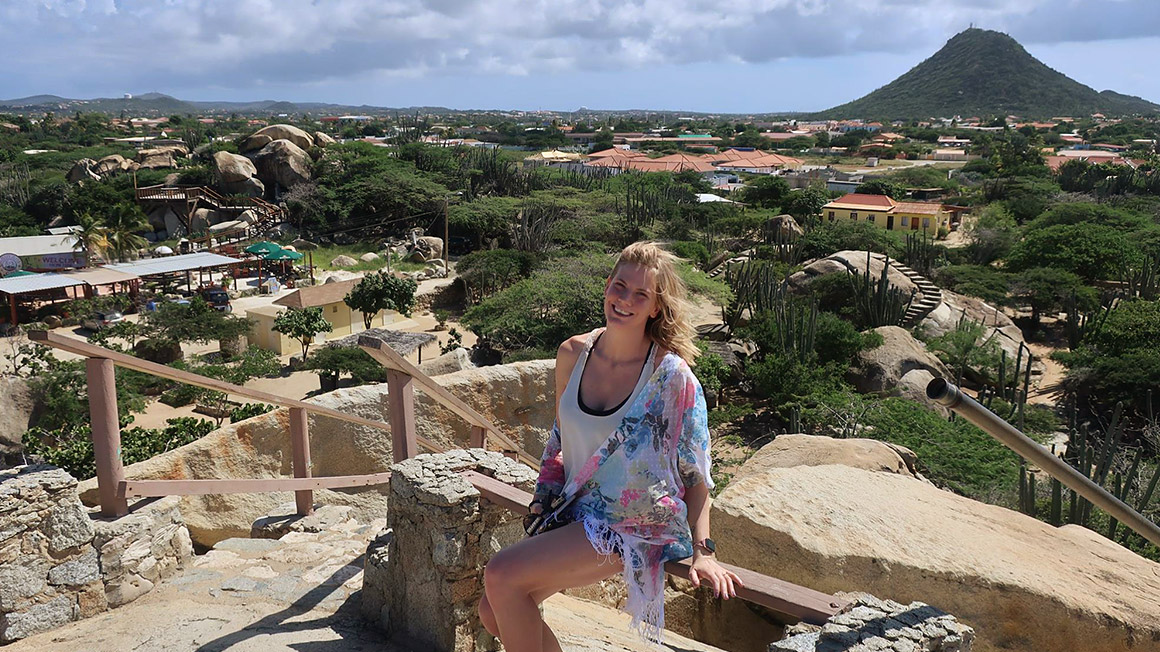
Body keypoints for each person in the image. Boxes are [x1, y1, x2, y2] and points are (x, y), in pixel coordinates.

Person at [479, 241, 742, 651]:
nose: (625, 300)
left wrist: (703, 551)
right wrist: (541, 505)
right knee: (492, 613)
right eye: (620, 286)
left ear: (656, 307)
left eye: (641, 294)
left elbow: (697, 475)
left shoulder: (672, 378)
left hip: (634, 525)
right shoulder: (572, 354)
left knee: (500, 576)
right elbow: (560, 442)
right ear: (607, 286)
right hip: (577, 513)